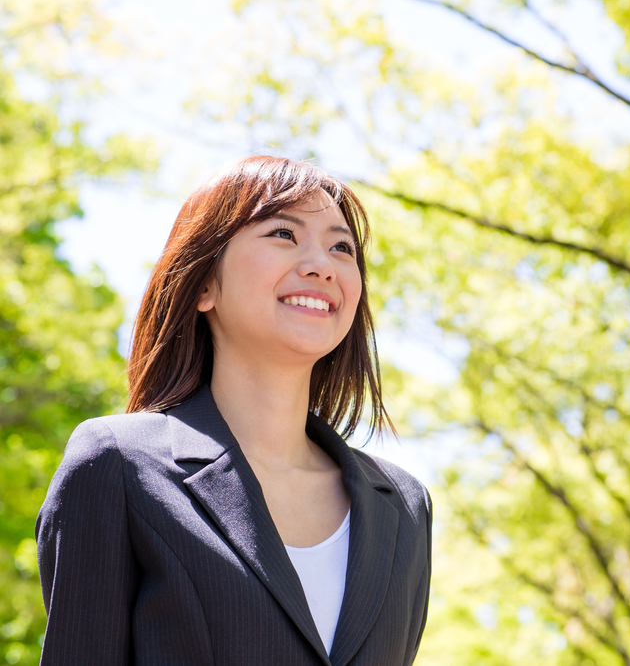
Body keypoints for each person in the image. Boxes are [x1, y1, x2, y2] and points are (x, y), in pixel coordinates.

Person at [35, 156, 431, 666]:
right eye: (284, 234)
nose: (321, 264)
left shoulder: (403, 505)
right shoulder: (118, 465)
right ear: (204, 284)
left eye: (341, 247)